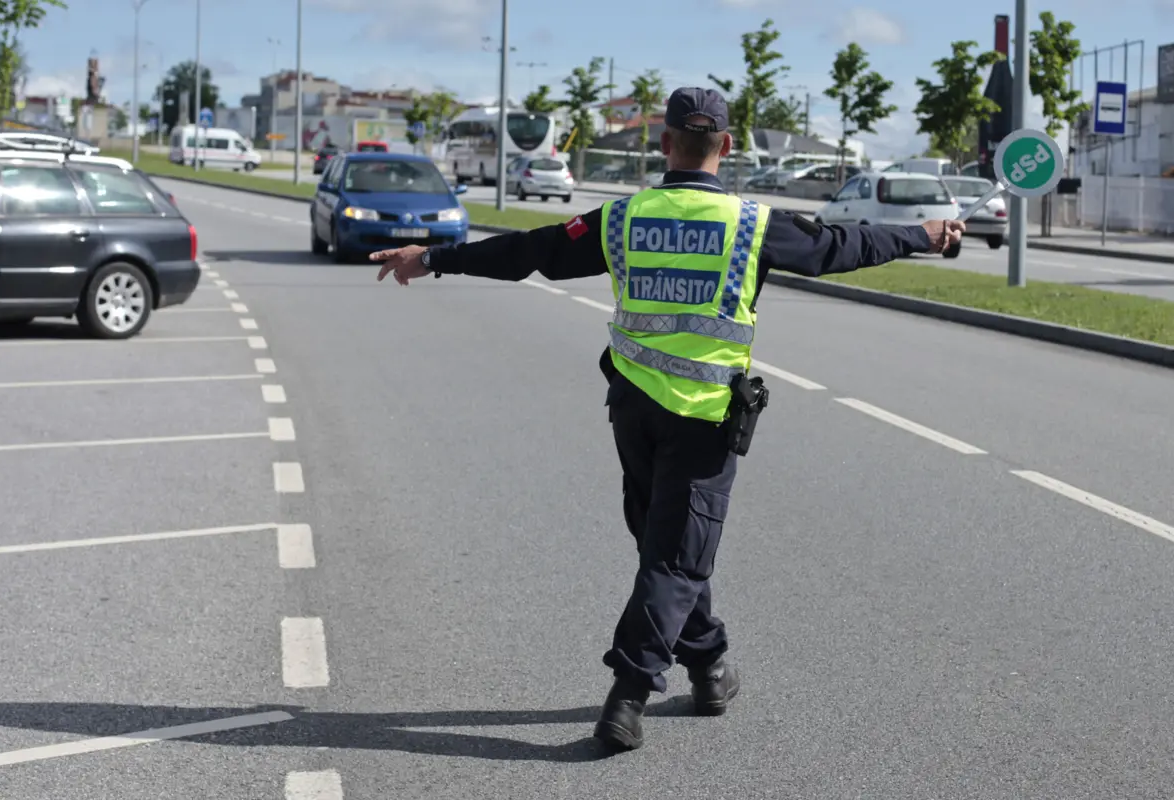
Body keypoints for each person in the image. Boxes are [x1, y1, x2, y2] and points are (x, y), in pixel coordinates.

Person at [370, 87, 964, 754]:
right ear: (728, 148)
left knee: (669, 551)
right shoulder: (753, 225)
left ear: (664, 144)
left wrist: (435, 258)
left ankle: (710, 668)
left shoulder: (624, 217)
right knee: (677, 558)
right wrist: (925, 235)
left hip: (633, 411)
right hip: (706, 419)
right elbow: (843, 245)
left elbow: (530, 252)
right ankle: (629, 691)